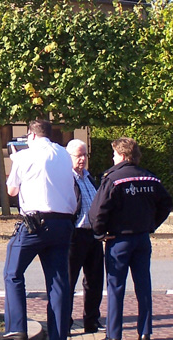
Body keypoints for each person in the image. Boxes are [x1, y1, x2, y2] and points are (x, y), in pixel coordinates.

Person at [90, 137, 173, 340]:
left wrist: (100, 232)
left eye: (115, 154)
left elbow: (97, 211)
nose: (113, 157)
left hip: (118, 240)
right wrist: (152, 224)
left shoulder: (113, 179)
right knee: (143, 286)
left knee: (116, 287)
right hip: (142, 239)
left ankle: (114, 334)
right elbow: (166, 203)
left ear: (123, 155)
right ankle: (144, 331)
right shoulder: (150, 178)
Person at [2, 120, 76, 340]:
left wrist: (15, 159)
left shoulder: (24, 156)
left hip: (36, 223)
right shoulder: (64, 154)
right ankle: (59, 334)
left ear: (31, 136)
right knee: (58, 281)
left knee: (12, 273)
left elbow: (12, 190)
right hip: (63, 223)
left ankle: (16, 328)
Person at [66, 139, 104, 334]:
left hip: (94, 235)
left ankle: (92, 320)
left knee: (95, 281)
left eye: (85, 155)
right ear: (69, 157)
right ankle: (65, 322)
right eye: (78, 155)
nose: (82, 159)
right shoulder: (66, 178)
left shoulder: (89, 177)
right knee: (69, 281)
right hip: (75, 236)